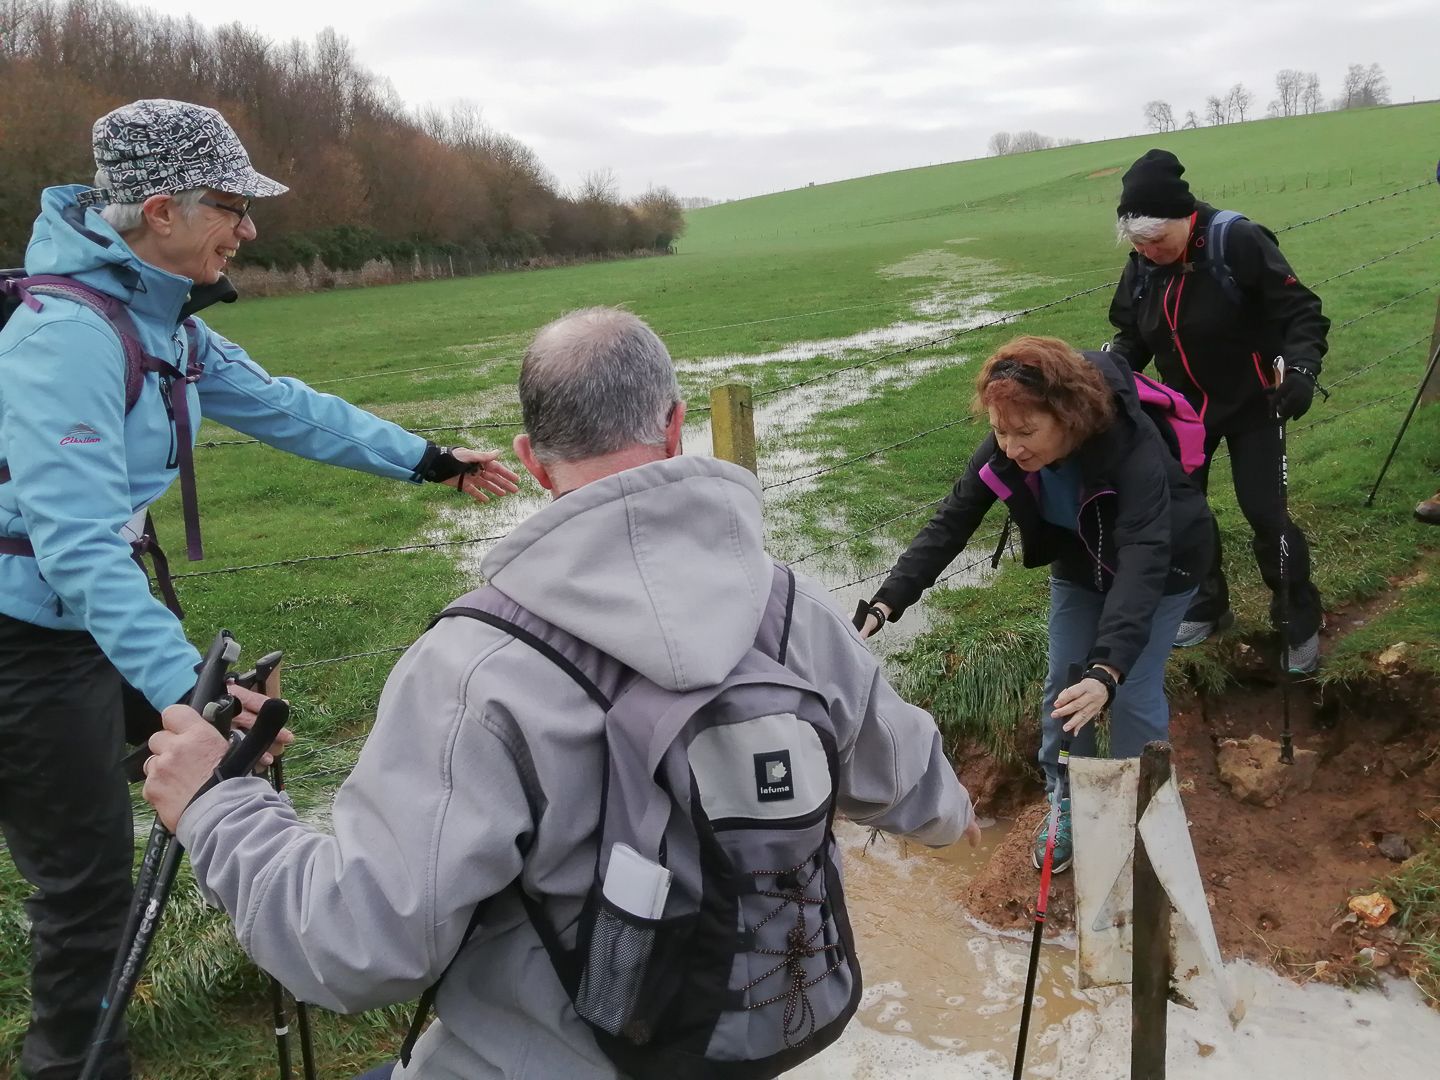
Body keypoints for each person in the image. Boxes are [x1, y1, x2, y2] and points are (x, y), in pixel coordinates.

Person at [140, 306, 978, 1080]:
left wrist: (220, 805)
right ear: (677, 426)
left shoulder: (472, 667)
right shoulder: (792, 611)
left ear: (534, 461)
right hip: (736, 1049)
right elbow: (932, 806)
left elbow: (358, 947)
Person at [0, 99, 519, 1080]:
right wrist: (184, 692)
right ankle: (76, 1063)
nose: (250, 229)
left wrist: (428, 460)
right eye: (232, 207)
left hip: (93, 619)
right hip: (27, 638)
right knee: (85, 888)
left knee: (187, 786)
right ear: (161, 210)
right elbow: (72, 547)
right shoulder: (66, 336)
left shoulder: (161, 322)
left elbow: (285, 408)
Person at [856, 335, 1213, 874]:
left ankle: (1144, 808)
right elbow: (953, 520)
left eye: (1026, 432)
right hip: (1080, 559)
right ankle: (1066, 799)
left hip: (1165, 566)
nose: (1012, 448)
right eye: (1000, 431)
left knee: (1131, 690)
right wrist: (888, 601)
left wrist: (1107, 667)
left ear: (1068, 416)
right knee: (1064, 686)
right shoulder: (1005, 449)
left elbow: (1144, 555)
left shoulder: (1131, 448)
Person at [1106, 148, 1329, 672]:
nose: (1149, 253)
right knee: (1186, 514)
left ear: (1185, 219)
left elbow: (1301, 311)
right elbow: (1132, 335)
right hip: (1183, 411)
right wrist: (1113, 373)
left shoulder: (1237, 241)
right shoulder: (1142, 264)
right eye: (1138, 244)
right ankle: (1206, 605)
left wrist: (1301, 372)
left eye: (1157, 241)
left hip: (1255, 404)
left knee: (1264, 512)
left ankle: (1298, 617)